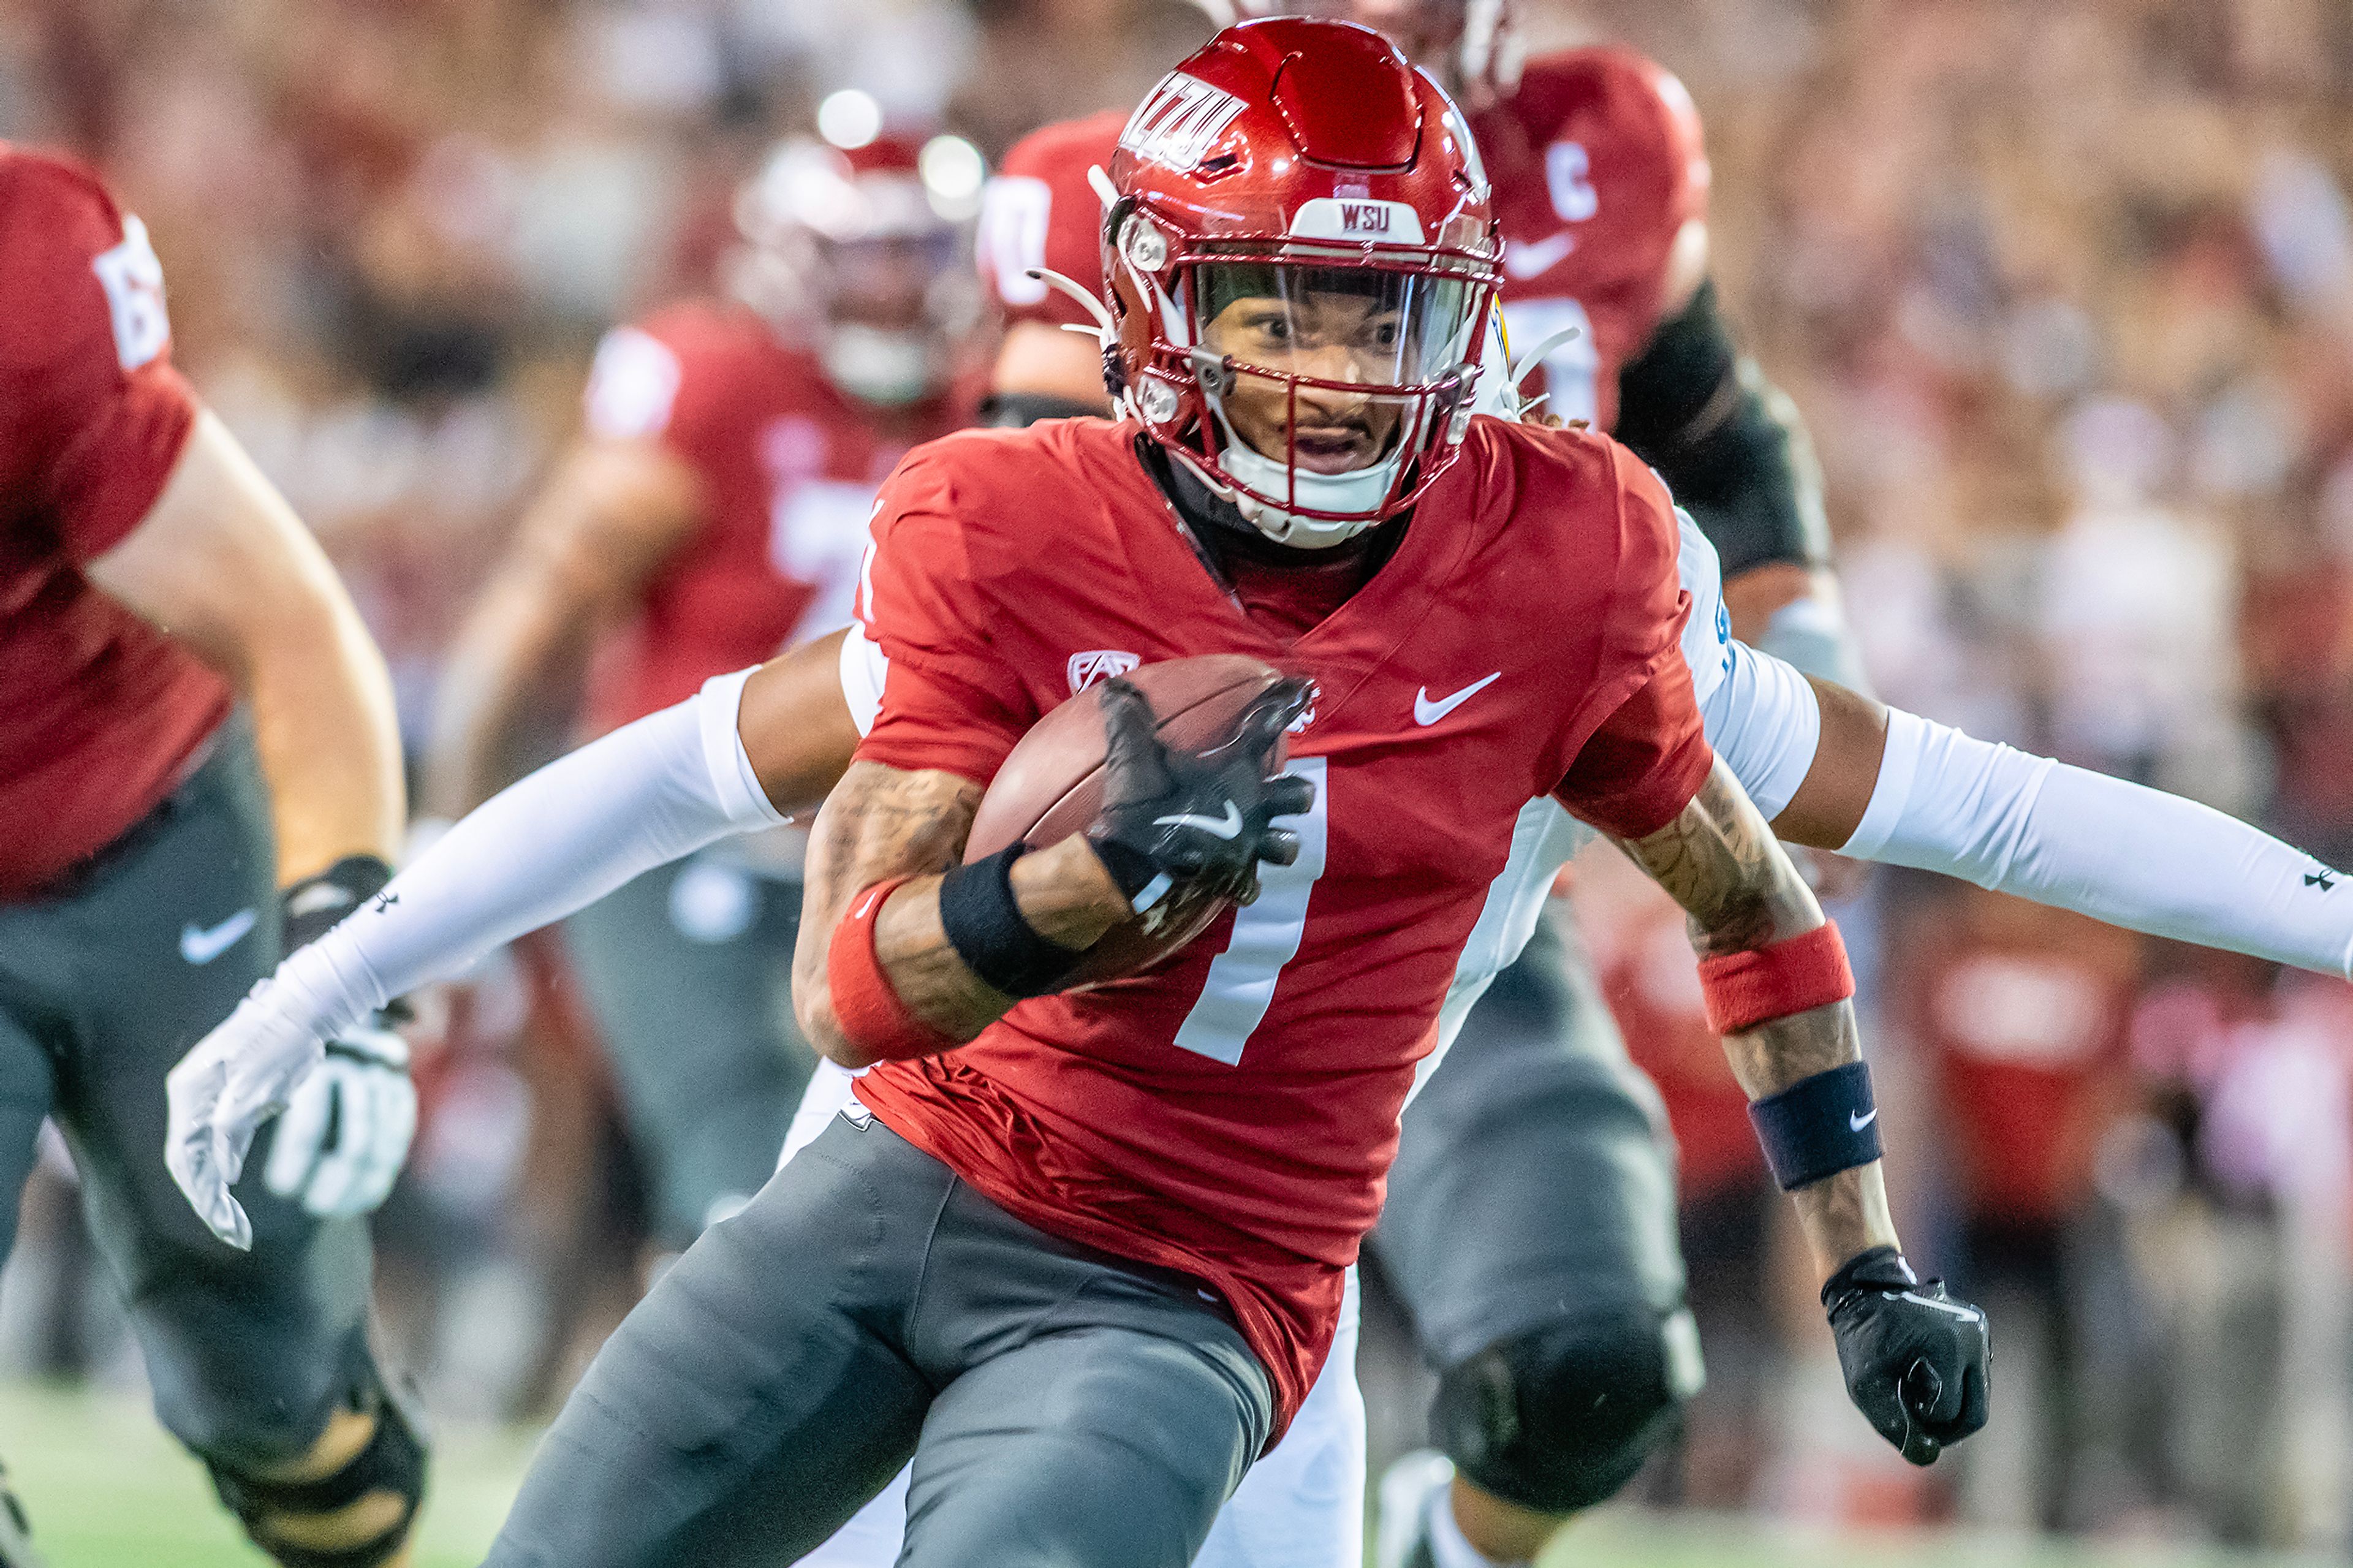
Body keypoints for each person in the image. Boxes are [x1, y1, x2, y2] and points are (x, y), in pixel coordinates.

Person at [169, 21, 2353, 1563]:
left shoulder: (1579, 538)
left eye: (1378, 320)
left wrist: (1868, 1251)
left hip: (1233, 1249)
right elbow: (797, 898)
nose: (1326, 375)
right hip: (923, 1145)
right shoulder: (1019, 513)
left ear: (1479, 328)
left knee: (1561, 1359)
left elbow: (1895, 824)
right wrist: (322, 978)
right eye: (1274, 311)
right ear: (1130, 303)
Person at [973, 4, 1867, 1562]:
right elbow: (1014, 549)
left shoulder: (1600, 143)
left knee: (1590, 1366)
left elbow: (1713, 424)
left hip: (1439, 887)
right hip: (1151, 894)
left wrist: (1806, 640)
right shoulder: (1112, 175)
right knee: (1081, 1426)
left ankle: (1440, 1545)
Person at [423, 132, 979, 1254]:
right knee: (735, 1169)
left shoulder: (984, 406)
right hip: (688, 844)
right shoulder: (719, 383)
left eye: (915, 251)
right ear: (792, 258)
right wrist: (451, 834)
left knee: (878, 1186)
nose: (894, 285)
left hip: (887, 853)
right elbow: (538, 613)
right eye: (863, 254)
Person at [0, 144, 423, 1568]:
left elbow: (291, 628)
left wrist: (350, 957)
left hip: (150, 839)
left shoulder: (27, 273)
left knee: (279, 1385)